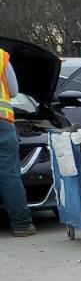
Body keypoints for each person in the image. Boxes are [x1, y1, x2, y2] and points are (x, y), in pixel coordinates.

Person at [0, 46, 35, 236]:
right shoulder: (1, 56)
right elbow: (13, 91)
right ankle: (21, 225)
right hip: (2, 124)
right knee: (8, 175)